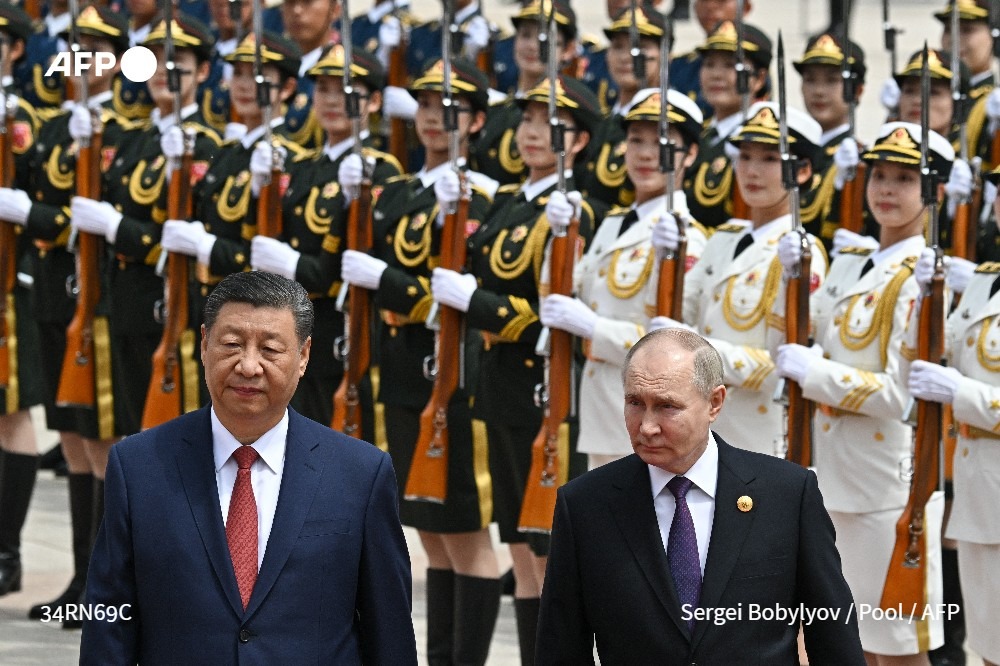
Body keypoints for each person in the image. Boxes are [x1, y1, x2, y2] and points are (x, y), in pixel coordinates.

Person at [80, 270, 417, 664]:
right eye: (232, 344)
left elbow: (389, 631)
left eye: (271, 350)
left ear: (304, 355)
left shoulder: (360, 473)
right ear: (204, 344)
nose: (249, 366)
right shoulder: (138, 466)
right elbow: (108, 618)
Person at [535, 327, 865, 664]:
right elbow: (560, 646)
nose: (647, 426)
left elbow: (832, 633)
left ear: (715, 402)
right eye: (635, 403)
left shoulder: (786, 495)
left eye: (667, 407)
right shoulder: (585, 505)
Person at [430, 74, 602, 665]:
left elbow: (547, 318)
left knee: (552, 554)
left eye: (551, 128)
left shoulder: (579, 211)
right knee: (524, 552)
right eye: (529, 123)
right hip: (498, 389)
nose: (534, 135)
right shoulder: (506, 203)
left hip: (543, 391)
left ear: (577, 142)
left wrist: (472, 301)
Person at [774, 121, 954, 664]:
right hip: (831, 476)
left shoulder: (922, 275)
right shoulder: (853, 263)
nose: (886, 190)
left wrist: (816, 374)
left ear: (933, 194)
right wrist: (793, 283)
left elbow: (900, 395)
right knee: (845, 644)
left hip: (883, 485)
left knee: (897, 648)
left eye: (904, 179)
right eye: (879, 175)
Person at [0, 4, 131, 627]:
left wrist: (38, 215)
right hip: (54, 293)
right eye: (77, 46)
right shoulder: (54, 127)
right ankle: (85, 576)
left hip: (100, 295)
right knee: (74, 440)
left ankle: (110, 582)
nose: (86, 57)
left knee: (105, 441)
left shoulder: (126, 132)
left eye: (98, 48)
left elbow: (87, 217)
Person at [541, 87, 708, 470]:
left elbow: (682, 342)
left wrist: (595, 328)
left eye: (662, 144)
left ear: (691, 154)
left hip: (653, 418)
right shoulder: (613, 224)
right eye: (636, 141)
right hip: (602, 407)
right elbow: (558, 298)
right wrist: (559, 238)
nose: (646, 154)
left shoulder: (687, 238)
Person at [664, 101, 828, 456]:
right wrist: (666, 258)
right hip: (699, 430)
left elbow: (779, 364)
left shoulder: (801, 254)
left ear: (801, 172)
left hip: (755, 433)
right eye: (746, 156)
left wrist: (696, 354)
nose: (752, 170)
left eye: (770, 159)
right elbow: (679, 316)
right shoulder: (723, 239)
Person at [906, 164, 1000, 666]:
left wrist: (964, 393)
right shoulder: (987, 282)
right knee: (986, 647)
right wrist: (928, 298)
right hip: (982, 496)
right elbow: (942, 355)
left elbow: (957, 382)